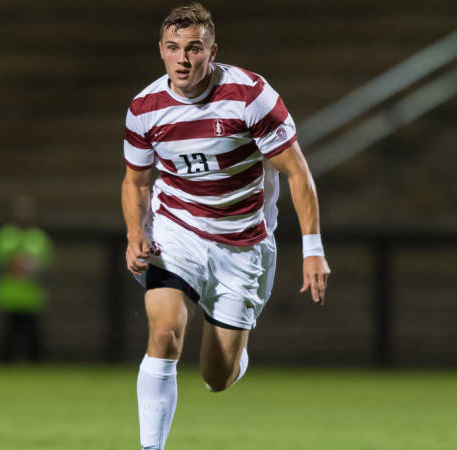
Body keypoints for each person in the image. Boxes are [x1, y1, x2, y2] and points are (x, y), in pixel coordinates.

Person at [121, 4, 331, 449]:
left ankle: (236, 354)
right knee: (163, 332)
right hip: (177, 231)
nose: (182, 59)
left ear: (211, 51)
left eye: (193, 49)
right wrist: (135, 232)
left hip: (243, 243)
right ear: (160, 50)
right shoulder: (144, 108)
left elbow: (297, 173)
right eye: (173, 48)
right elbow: (136, 181)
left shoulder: (250, 96)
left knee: (217, 377)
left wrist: (312, 248)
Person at [0, 194, 53, 362]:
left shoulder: (38, 238)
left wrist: (31, 269)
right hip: (9, 295)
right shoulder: (5, 236)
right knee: (8, 336)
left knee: (33, 337)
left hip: (31, 296)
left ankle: (36, 366)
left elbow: (46, 266)